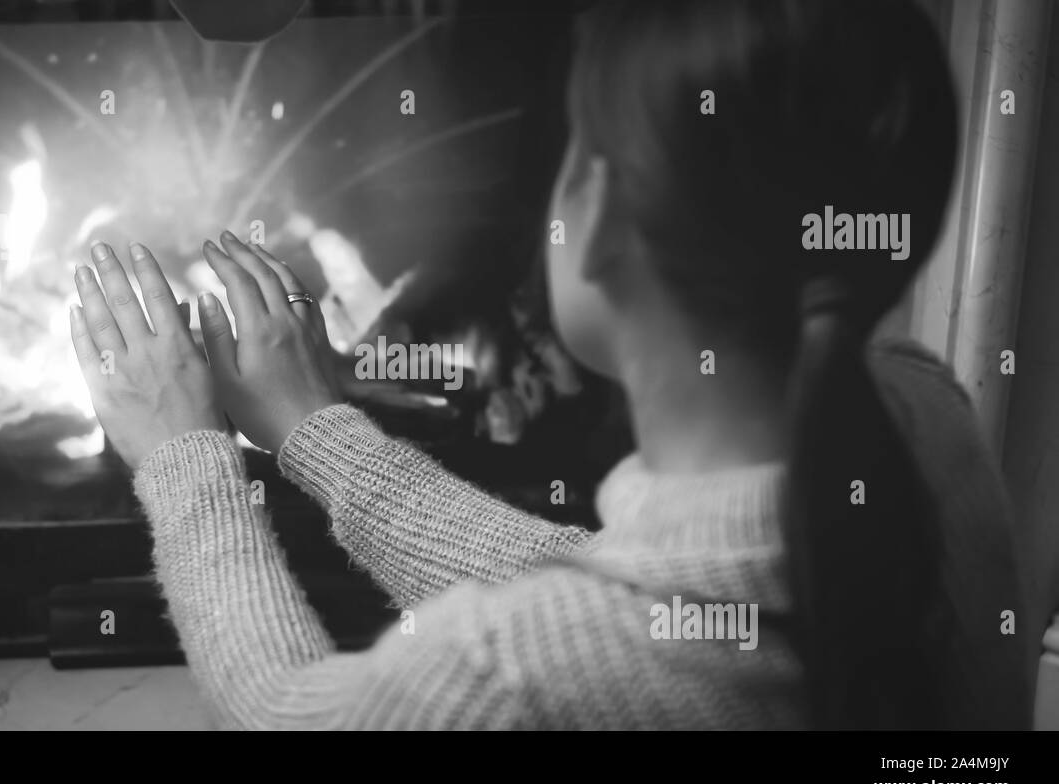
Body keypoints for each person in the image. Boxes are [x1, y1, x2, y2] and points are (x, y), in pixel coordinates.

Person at [68, 0, 1030, 729]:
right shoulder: (925, 418)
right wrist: (317, 436)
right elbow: (621, 598)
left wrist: (182, 452)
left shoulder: (518, 674)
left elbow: (290, 708)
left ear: (598, 211)